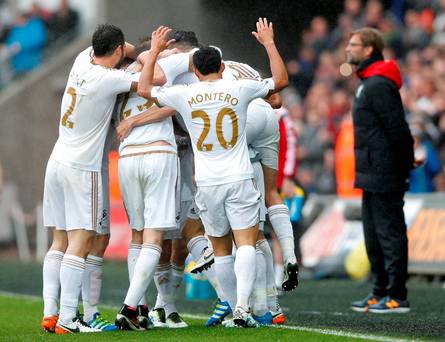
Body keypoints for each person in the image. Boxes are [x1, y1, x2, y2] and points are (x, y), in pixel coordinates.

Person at [134, 18, 288, 327]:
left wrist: (152, 53)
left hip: (206, 182)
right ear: (222, 66)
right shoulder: (239, 87)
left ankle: (233, 310)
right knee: (246, 242)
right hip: (239, 176)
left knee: (220, 250)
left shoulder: (184, 96)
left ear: (194, 71)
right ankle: (244, 309)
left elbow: (144, 88)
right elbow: (280, 84)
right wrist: (269, 44)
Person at [42, 24, 138, 334]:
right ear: (119, 50)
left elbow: (113, 50)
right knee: (82, 240)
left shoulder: (81, 61)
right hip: (82, 168)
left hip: (56, 161)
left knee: (59, 240)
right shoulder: (110, 79)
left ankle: (51, 312)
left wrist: (123, 49)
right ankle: (70, 318)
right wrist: (148, 54)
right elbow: (153, 82)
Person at [345, 27, 415, 313]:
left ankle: (397, 295)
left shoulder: (378, 85)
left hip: (385, 173)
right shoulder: (368, 83)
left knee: (389, 234)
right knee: (374, 236)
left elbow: (398, 128)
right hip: (372, 171)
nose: (348, 49)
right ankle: (379, 291)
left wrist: (406, 162)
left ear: (369, 49)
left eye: (353, 44)